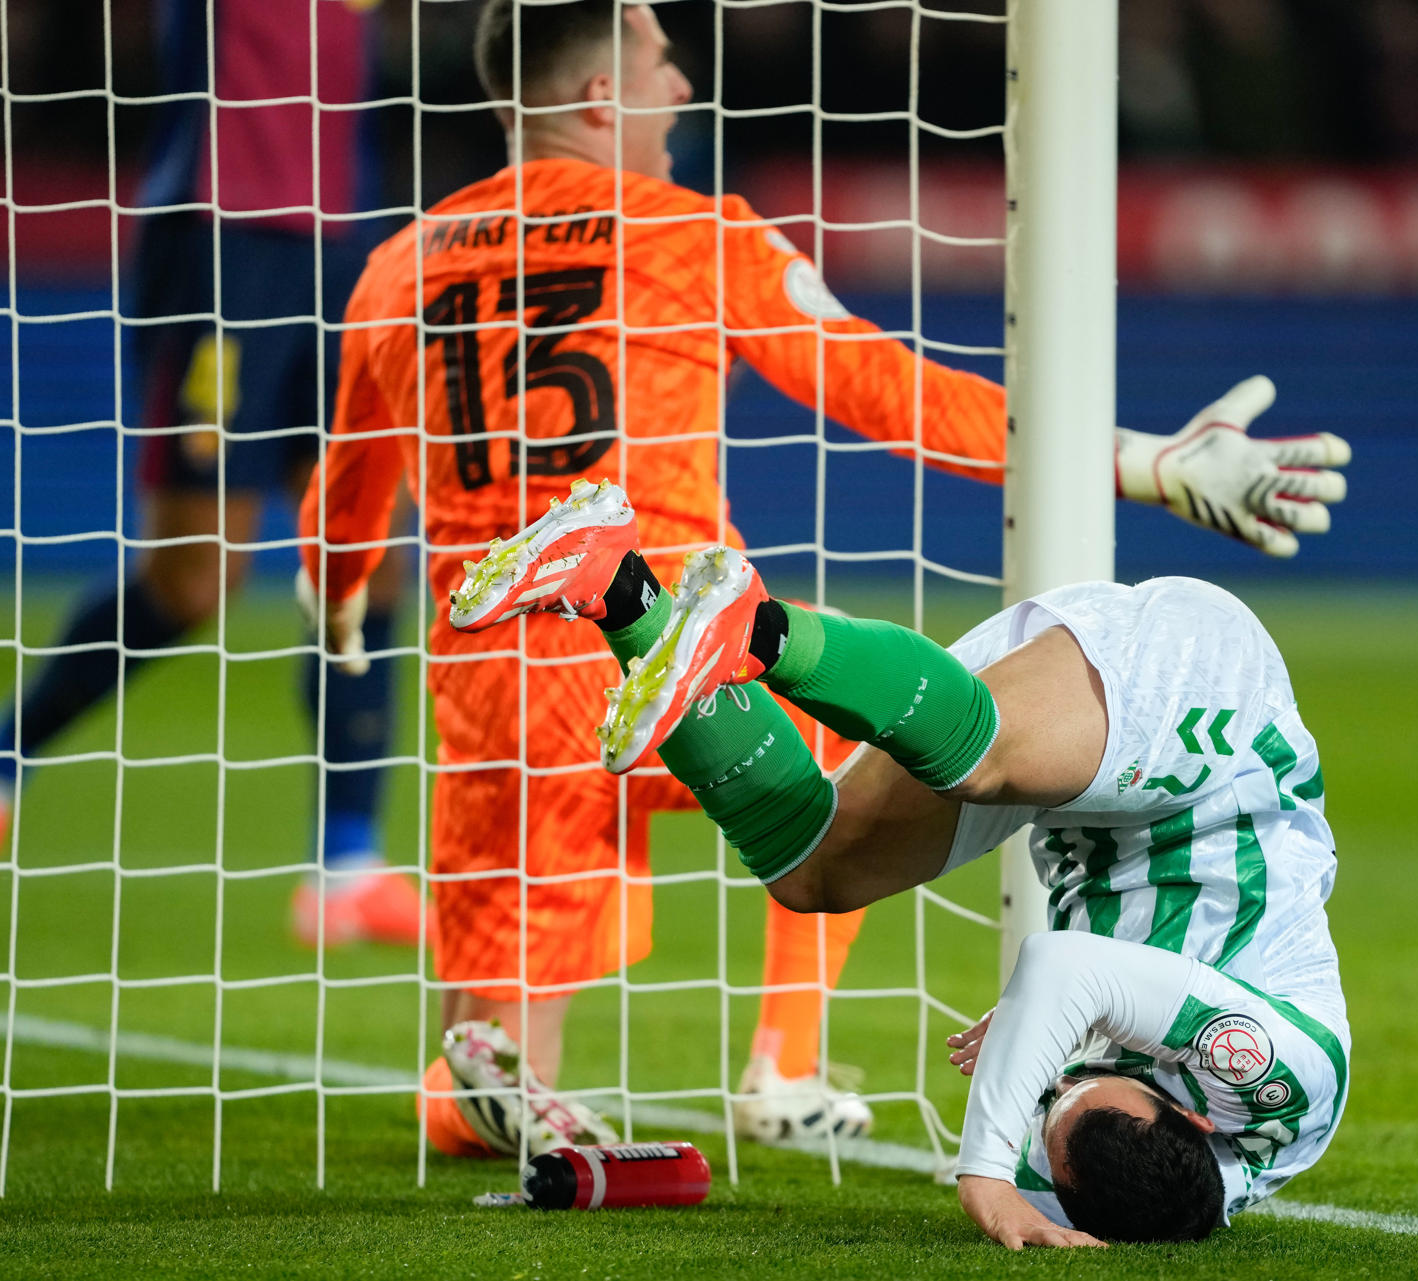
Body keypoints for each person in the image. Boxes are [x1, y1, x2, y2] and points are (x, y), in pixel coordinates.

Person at [300, 0, 1346, 1157]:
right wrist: (1142, 461)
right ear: (600, 98)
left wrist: (334, 588)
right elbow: (894, 393)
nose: (683, 86)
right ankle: (783, 1069)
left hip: (491, 686)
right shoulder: (693, 235)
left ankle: (482, 1077)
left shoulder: (397, 263)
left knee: (489, 1056)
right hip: (663, 637)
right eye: (659, 63)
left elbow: (346, 490)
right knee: (860, 767)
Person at [441, 407, 1350, 1243]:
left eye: (1051, 1105)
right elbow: (1067, 967)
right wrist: (988, 1172)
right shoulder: (1281, 1081)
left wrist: (1065, 1072)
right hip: (1208, 735)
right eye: (1075, 1086)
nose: (1055, 1088)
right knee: (983, 757)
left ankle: (615, 582)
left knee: (815, 868)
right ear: (1195, 1119)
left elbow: (1092, 1036)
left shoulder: (1107, 1173)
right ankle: (757, 630)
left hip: (1087, 805)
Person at [0, 0, 419, 948]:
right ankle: (6, 750)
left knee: (371, 548)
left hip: (340, 238)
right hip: (222, 229)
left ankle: (347, 866)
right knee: (196, 572)